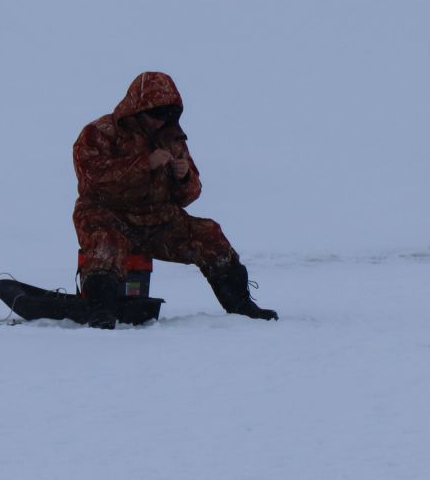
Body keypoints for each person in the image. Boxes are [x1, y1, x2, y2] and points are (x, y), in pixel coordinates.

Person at [73, 71, 277, 327]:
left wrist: (183, 178)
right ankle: (100, 311)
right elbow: (92, 181)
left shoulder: (172, 139)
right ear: (136, 108)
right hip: (107, 215)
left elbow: (189, 195)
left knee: (209, 234)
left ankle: (242, 306)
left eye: (167, 115)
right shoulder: (99, 133)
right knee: (106, 244)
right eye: (155, 114)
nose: (160, 122)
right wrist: (144, 164)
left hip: (157, 219)